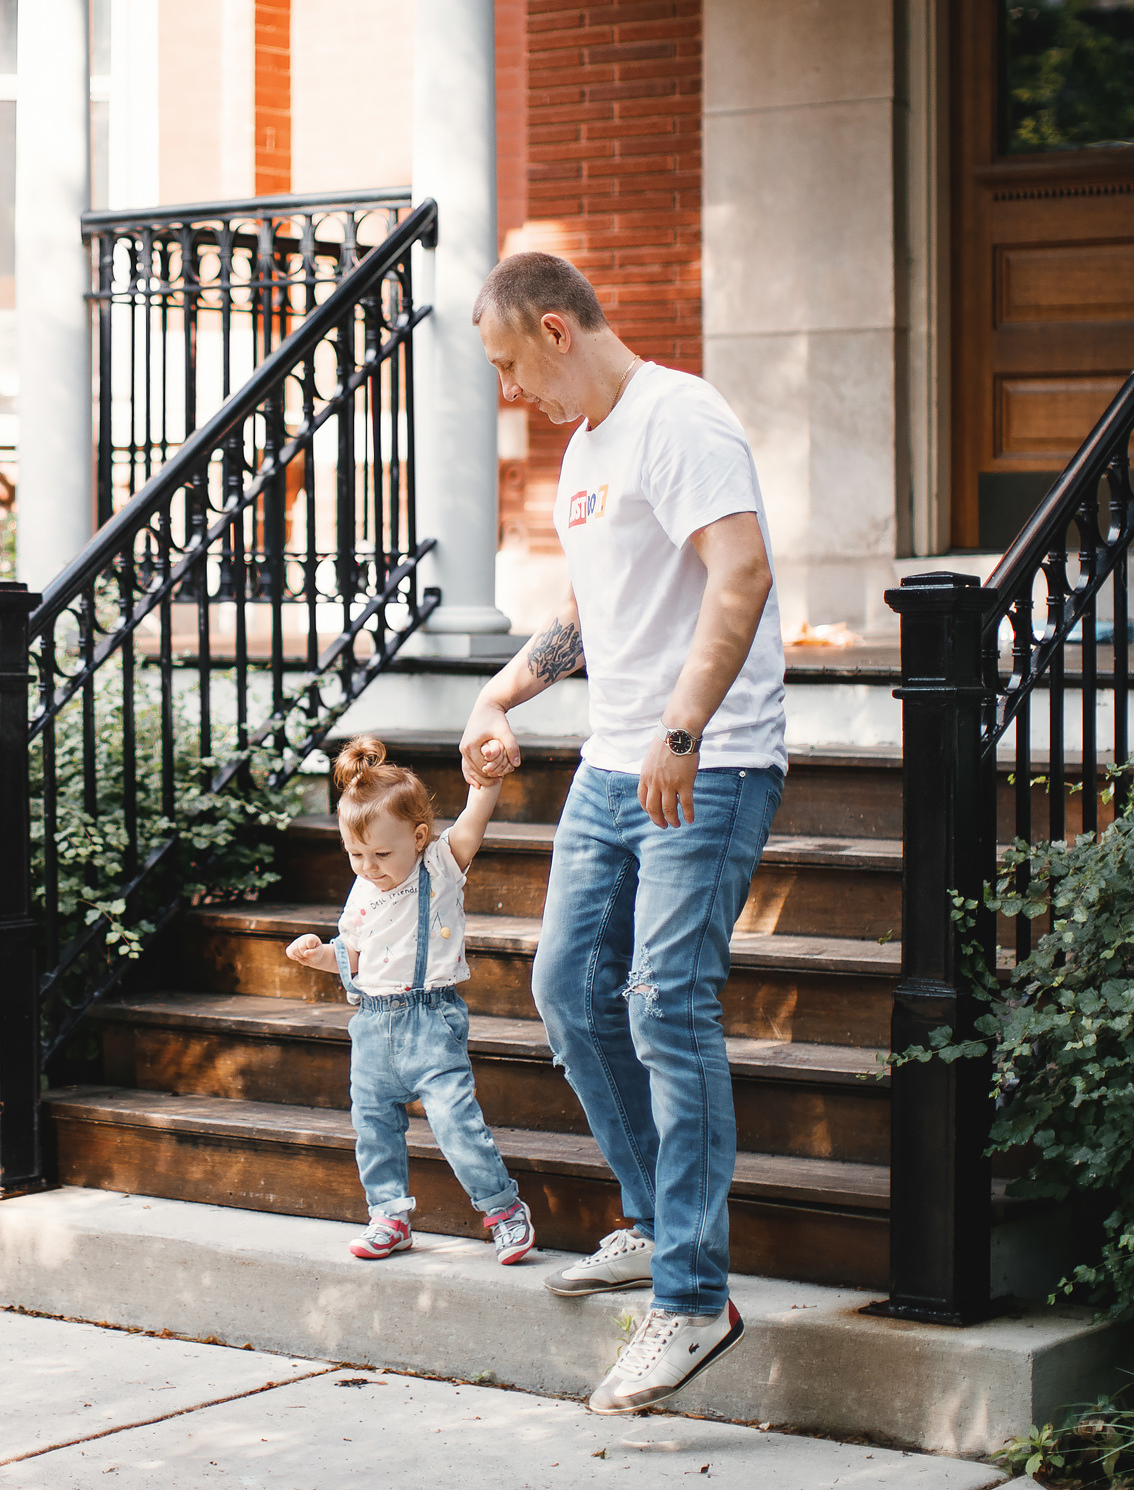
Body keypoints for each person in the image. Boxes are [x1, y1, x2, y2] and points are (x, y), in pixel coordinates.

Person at [458, 251, 785, 1415]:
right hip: (611, 767)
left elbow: (738, 574)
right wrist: (501, 696)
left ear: (555, 328)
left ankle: (694, 1300)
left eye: (507, 365)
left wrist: (683, 729)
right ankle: (655, 1224)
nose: (510, 394)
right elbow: (588, 620)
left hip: (710, 761)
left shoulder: (678, 418)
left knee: (665, 1001)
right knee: (564, 989)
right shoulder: (585, 454)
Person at [283, 736, 538, 1266]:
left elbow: (471, 823)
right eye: (355, 854)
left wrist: (485, 784)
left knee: (455, 1123)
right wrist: (319, 957)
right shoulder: (362, 890)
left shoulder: (439, 867)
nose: (369, 866)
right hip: (372, 1026)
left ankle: (502, 1210)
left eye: (381, 853)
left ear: (419, 837)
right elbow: (353, 955)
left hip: (429, 1021)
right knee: (373, 1128)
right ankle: (388, 1218)